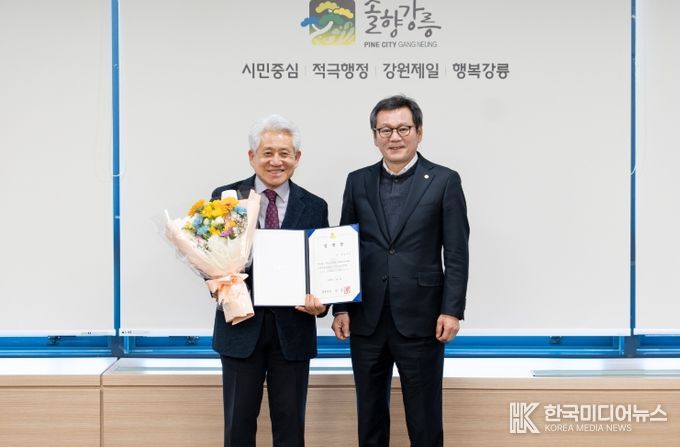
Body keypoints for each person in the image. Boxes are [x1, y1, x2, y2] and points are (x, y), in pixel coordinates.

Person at [332, 95, 470, 447]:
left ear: (419, 132)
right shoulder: (357, 181)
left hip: (423, 320)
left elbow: (456, 252)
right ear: (375, 136)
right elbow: (344, 247)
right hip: (366, 320)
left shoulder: (444, 181)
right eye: (385, 130)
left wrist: (452, 310)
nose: (394, 137)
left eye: (403, 129)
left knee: (424, 419)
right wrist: (341, 307)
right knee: (370, 417)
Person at [211, 114, 328, 447]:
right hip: (239, 329)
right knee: (238, 428)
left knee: (290, 429)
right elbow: (208, 254)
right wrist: (220, 281)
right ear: (252, 156)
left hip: (293, 332)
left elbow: (321, 266)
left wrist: (322, 303)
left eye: (284, 153)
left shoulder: (315, 206)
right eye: (267, 153)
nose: (276, 161)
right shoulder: (226, 198)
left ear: (297, 158)